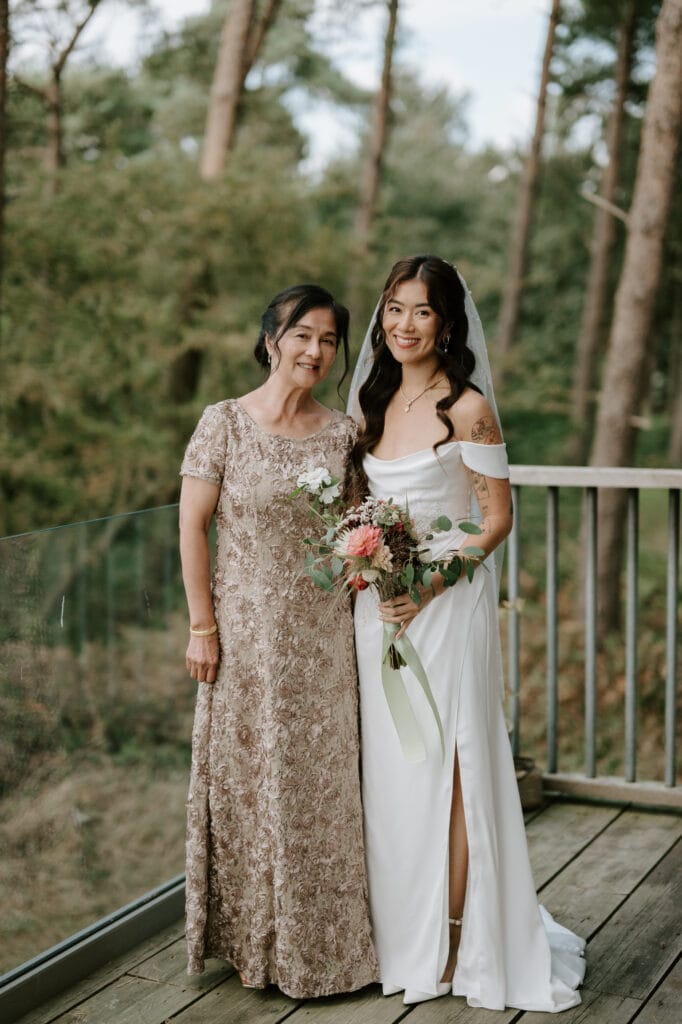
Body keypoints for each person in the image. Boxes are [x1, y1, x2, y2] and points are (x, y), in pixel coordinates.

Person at [347, 255, 585, 1010]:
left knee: (450, 768)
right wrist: (364, 565)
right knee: (392, 778)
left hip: (445, 608)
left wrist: (428, 584)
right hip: (378, 613)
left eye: (420, 312)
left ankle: (451, 941)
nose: (402, 325)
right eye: (392, 309)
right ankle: (397, 934)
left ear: (447, 323)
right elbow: (357, 505)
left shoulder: (468, 406)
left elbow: (497, 519)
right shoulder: (371, 400)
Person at [179, 284, 378, 998]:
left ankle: (324, 953)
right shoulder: (223, 422)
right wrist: (202, 626)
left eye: (329, 340)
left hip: (325, 645)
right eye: (303, 335)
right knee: (248, 787)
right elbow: (192, 526)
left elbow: (363, 534)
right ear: (272, 340)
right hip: (243, 646)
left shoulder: (342, 433)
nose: (316, 351)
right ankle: (252, 943)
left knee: (321, 794)